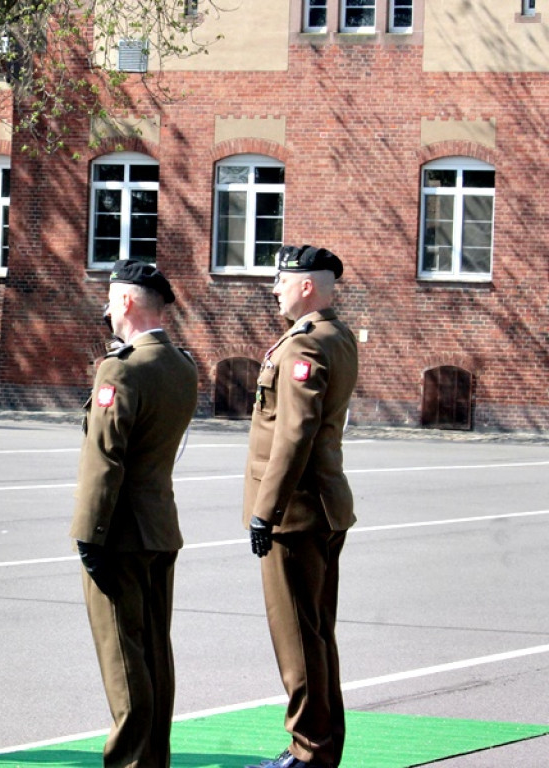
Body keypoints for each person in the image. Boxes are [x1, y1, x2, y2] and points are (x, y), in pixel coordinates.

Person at [69, 259, 198, 768]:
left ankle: (129, 762)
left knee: (123, 656)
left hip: (119, 532)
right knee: (154, 655)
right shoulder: (180, 364)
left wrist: (88, 534)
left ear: (124, 302)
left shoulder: (120, 368)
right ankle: (153, 759)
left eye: (110, 298)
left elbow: (105, 459)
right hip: (160, 527)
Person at [242, 245, 358, 768]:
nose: (275, 290)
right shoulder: (338, 335)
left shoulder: (304, 346)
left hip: (297, 513)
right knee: (316, 633)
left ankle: (308, 751)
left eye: (282, 282)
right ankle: (323, 746)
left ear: (306, 286)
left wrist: (266, 510)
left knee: (296, 638)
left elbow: (293, 434)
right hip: (325, 507)